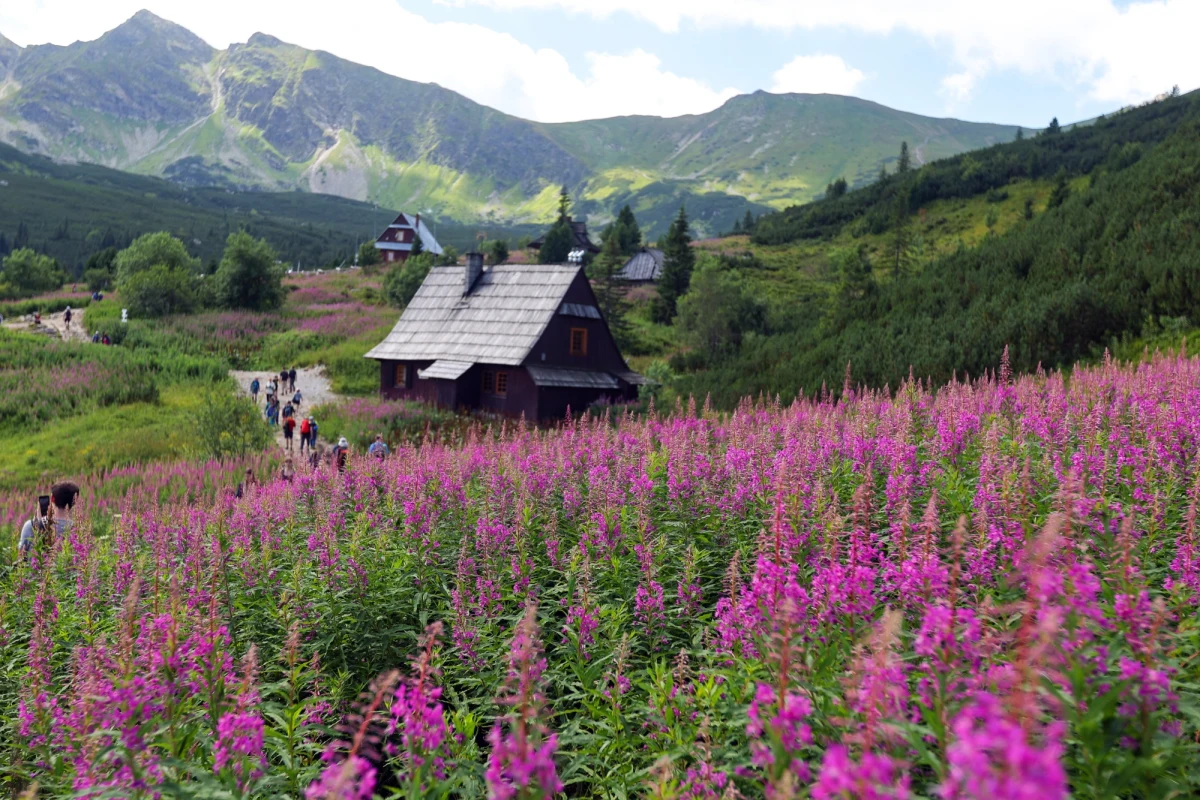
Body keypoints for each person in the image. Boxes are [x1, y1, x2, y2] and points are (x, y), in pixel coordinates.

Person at [18, 481, 80, 561]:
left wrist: (38, 524)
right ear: (75, 502)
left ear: (52, 498)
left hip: (35, 573)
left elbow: (21, 557)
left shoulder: (30, 526)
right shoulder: (78, 530)